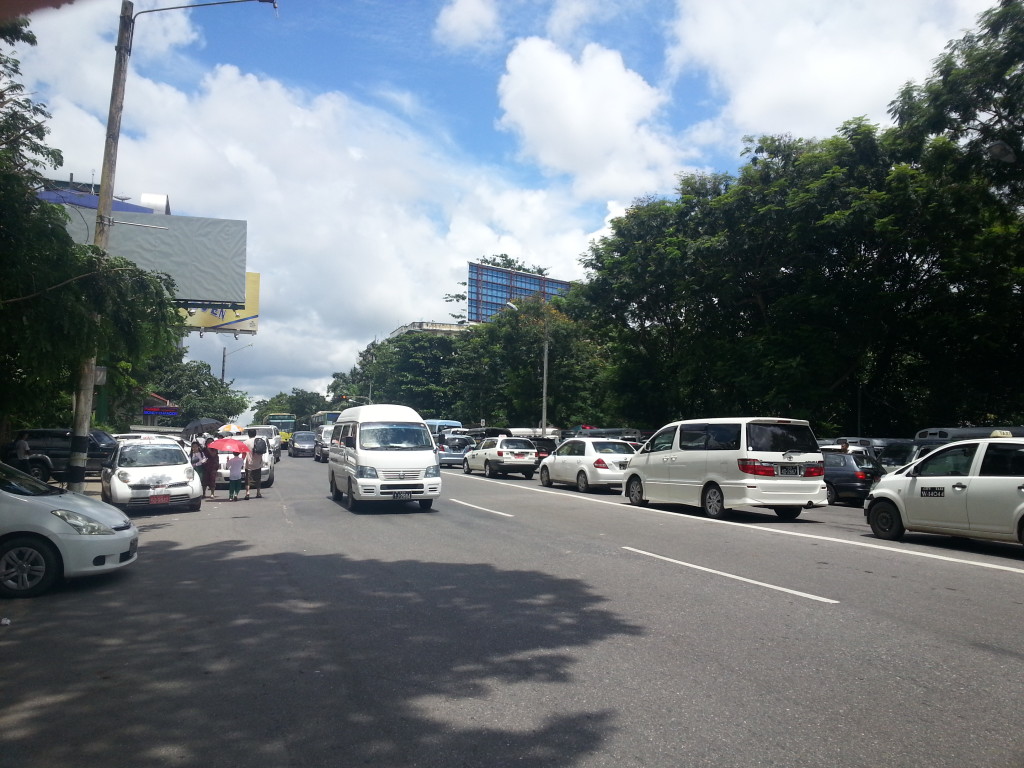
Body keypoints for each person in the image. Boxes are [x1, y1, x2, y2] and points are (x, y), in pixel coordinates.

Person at [244, 428, 265, 500]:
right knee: (258, 479)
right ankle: (258, 492)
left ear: (248, 434)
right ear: (255, 434)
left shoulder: (246, 442)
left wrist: (241, 461)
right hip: (258, 463)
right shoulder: (259, 441)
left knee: (248, 479)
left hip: (249, 463)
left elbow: (244, 454)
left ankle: (247, 493)